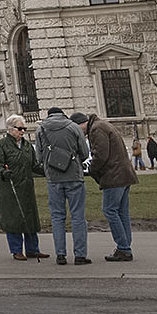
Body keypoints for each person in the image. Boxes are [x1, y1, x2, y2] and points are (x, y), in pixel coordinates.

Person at [38, 107, 92, 265]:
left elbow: (39, 157)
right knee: (78, 217)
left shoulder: (41, 129)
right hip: (74, 176)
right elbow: (85, 152)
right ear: (63, 114)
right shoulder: (73, 127)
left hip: (53, 178)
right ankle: (80, 255)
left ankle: (60, 254)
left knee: (57, 217)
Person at [0, 115, 45, 261]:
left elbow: (34, 165)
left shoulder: (27, 146)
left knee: (30, 217)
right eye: (20, 129)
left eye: (24, 129)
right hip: (10, 188)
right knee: (14, 218)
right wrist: (3, 171)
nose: (22, 131)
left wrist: (47, 171)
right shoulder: (1, 145)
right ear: (11, 129)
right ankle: (16, 250)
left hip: (26, 186)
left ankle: (33, 249)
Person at [84, 113, 139, 262]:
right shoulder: (104, 124)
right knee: (122, 212)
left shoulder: (96, 129)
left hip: (114, 176)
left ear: (82, 123)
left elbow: (100, 155)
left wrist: (91, 169)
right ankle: (125, 245)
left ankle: (123, 248)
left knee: (109, 210)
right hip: (124, 175)